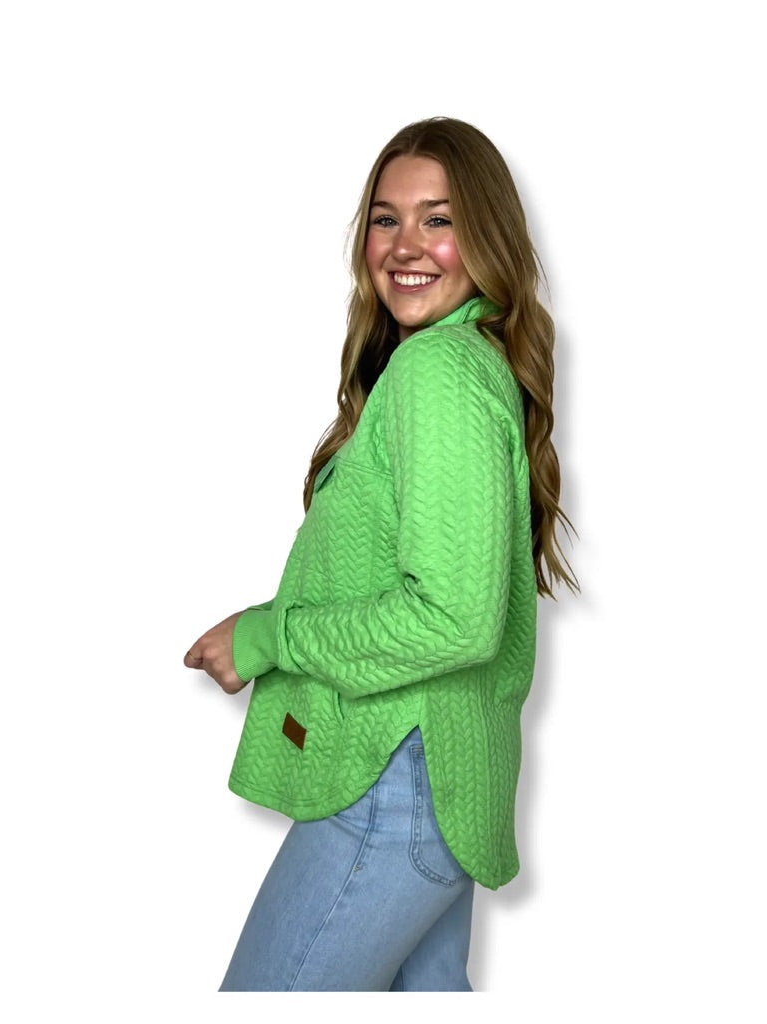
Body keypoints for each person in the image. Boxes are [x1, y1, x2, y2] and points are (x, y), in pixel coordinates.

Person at [183, 116, 578, 991]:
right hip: (432, 782)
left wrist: (268, 636)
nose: (406, 246)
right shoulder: (457, 368)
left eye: (440, 220)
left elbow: (454, 620)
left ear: (488, 238)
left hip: (395, 786)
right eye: (385, 218)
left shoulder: (438, 374)